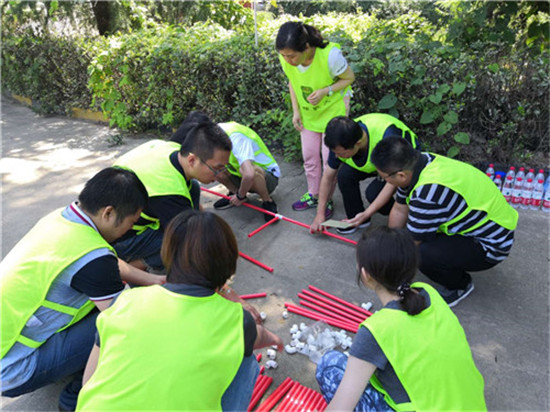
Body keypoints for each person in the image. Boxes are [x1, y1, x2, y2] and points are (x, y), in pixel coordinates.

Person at [76, 210, 283, 411]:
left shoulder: (125, 300)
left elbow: (89, 379)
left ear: (167, 255)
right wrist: (275, 339)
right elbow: (259, 336)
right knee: (246, 361)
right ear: (229, 264)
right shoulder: (236, 320)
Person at [1, 167, 162, 411]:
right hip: (15, 368)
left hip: (7, 342)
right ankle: (75, 398)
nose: (131, 229)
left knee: (122, 296)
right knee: (129, 321)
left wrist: (156, 281)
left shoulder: (62, 218)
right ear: (109, 213)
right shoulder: (93, 259)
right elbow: (124, 323)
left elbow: (106, 262)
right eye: (131, 222)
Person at [316, 226, 487, 411]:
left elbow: (340, 408)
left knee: (329, 364)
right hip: (472, 406)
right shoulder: (429, 293)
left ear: (366, 275)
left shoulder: (376, 330)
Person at [370, 137, 518, 306]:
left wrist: (391, 272)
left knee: (423, 254)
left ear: (401, 175)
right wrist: (391, 243)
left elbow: (413, 243)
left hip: (491, 244)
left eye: (383, 178)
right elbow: (399, 208)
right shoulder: (420, 162)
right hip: (481, 224)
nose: (384, 181)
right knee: (409, 241)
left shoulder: (428, 192)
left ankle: (459, 286)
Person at [112, 112, 232, 271]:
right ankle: (131, 267)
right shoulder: (169, 192)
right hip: (118, 239)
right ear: (192, 160)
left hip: (113, 203)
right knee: (181, 246)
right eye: (216, 168)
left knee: (193, 187)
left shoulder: (170, 148)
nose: (220, 175)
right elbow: (189, 244)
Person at [276, 21, 355, 218]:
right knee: (310, 157)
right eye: (284, 55)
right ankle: (313, 194)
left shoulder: (330, 56)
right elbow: (293, 83)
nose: (287, 60)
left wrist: (325, 91)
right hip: (309, 115)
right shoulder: (286, 58)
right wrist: (296, 112)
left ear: (306, 47)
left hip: (333, 114)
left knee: (330, 162)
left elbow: (349, 78)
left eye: (291, 56)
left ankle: (326, 199)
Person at [310, 114, 420, 235]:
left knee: (374, 193)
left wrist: (368, 212)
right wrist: (320, 214)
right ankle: (356, 219)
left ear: (357, 143)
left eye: (341, 153)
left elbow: (393, 181)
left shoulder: (387, 135)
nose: (337, 156)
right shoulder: (340, 140)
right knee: (344, 175)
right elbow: (327, 178)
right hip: (375, 162)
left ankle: (404, 215)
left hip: (401, 163)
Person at [212, 121, 280, 222]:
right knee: (212, 168)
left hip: (267, 178)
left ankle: (267, 201)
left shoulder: (236, 137)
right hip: (241, 177)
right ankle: (234, 195)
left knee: (249, 169)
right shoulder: (213, 135)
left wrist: (240, 195)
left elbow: (249, 174)